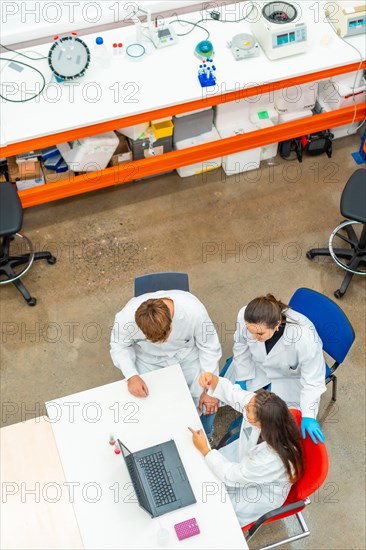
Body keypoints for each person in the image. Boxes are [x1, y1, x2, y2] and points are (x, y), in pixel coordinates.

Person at [189, 372, 304, 527]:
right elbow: (235, 394)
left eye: (248, 410)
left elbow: (234, 475)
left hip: (258, 493)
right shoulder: (263, 410)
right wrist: (213, 380)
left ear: (261, 423)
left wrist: (206, 450)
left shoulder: (270, 459)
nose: (244, 407)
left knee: (213, 511)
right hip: (245, 463)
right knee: (200, 476)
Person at [110, 290, 221, 438]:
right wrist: (131, 376)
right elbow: (119, 346)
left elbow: (209, 347)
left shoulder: (193, 311)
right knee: (148, 402)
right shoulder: (125, 318)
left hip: (186, 356)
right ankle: (161, 436)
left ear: (171, 325)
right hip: (148, 359)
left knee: (204, 400)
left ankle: (205, 435)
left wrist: (210, 391)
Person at [224, 294, 326, 443]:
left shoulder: (305, 339)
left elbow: (313, 380)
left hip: (290, 376)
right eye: (250, 331)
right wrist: (242, 377)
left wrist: (308, 415)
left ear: (277, 323)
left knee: (281, 423)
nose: (253, 337)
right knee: (231, 390)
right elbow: (241, 346)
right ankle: (248, 417)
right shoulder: (246, 315)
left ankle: (258, 422)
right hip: (258, 364)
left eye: (259, 333)